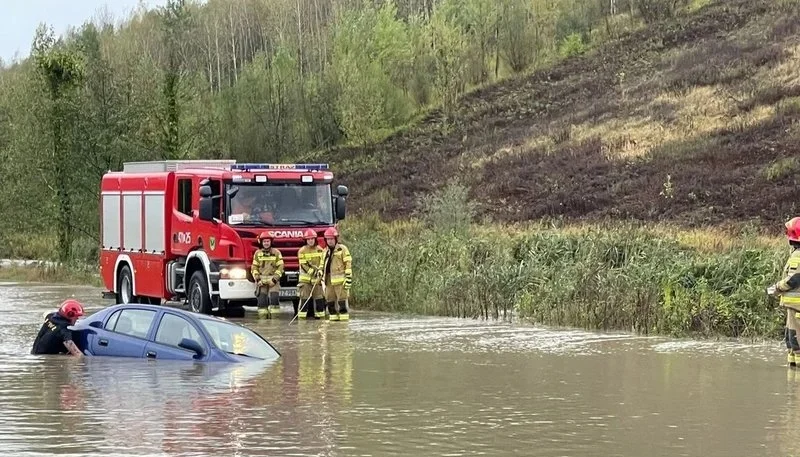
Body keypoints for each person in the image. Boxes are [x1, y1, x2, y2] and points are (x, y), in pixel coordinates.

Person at [768, 216, 800, 367]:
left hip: (797, 306)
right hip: (793, 306)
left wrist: (776, 288)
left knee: (796, 340)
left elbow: (794, 279)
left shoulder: (798, 255)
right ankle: (792, 379)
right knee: (791, 340)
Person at [251, 231, 284, 318]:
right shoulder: (257, 253)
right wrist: (257, 279)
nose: (266, 243)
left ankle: (275, 322)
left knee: (274, 299)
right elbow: (254, 267)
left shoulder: (276, 252)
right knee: (261, 302)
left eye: (268, 241)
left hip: (273, 280)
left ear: (271, 242)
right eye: (264, 241)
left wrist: (274, 279)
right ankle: (263, 322)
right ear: (261, 242)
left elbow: (280, 267)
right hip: (261, 281)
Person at [322, 226, 352, 321]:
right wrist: (319, 271)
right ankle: (333, 325)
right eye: (328, 239)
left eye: (331, 239)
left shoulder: (342, 249)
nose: (330, 241)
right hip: (328, 281)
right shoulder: (325, 251)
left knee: (342, 303)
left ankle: (343, 326)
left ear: (335, 239)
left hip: (341, 282)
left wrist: (348, 278)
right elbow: (322, 264)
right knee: (330, 303)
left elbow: (348, 263)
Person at [297, 228, 326, 319]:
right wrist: (313, 272)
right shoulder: (302, 251)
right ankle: (302, 322)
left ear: (315, 239)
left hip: (317, 281)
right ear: (305, 240)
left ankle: (321, 322)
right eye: (308, 239)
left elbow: (323, 262)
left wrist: (321, 270)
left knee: (319, 301)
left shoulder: (320, 250)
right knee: (304, 301)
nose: (310, 241)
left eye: (312, 239)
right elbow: (304, 265)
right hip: (305, 281)